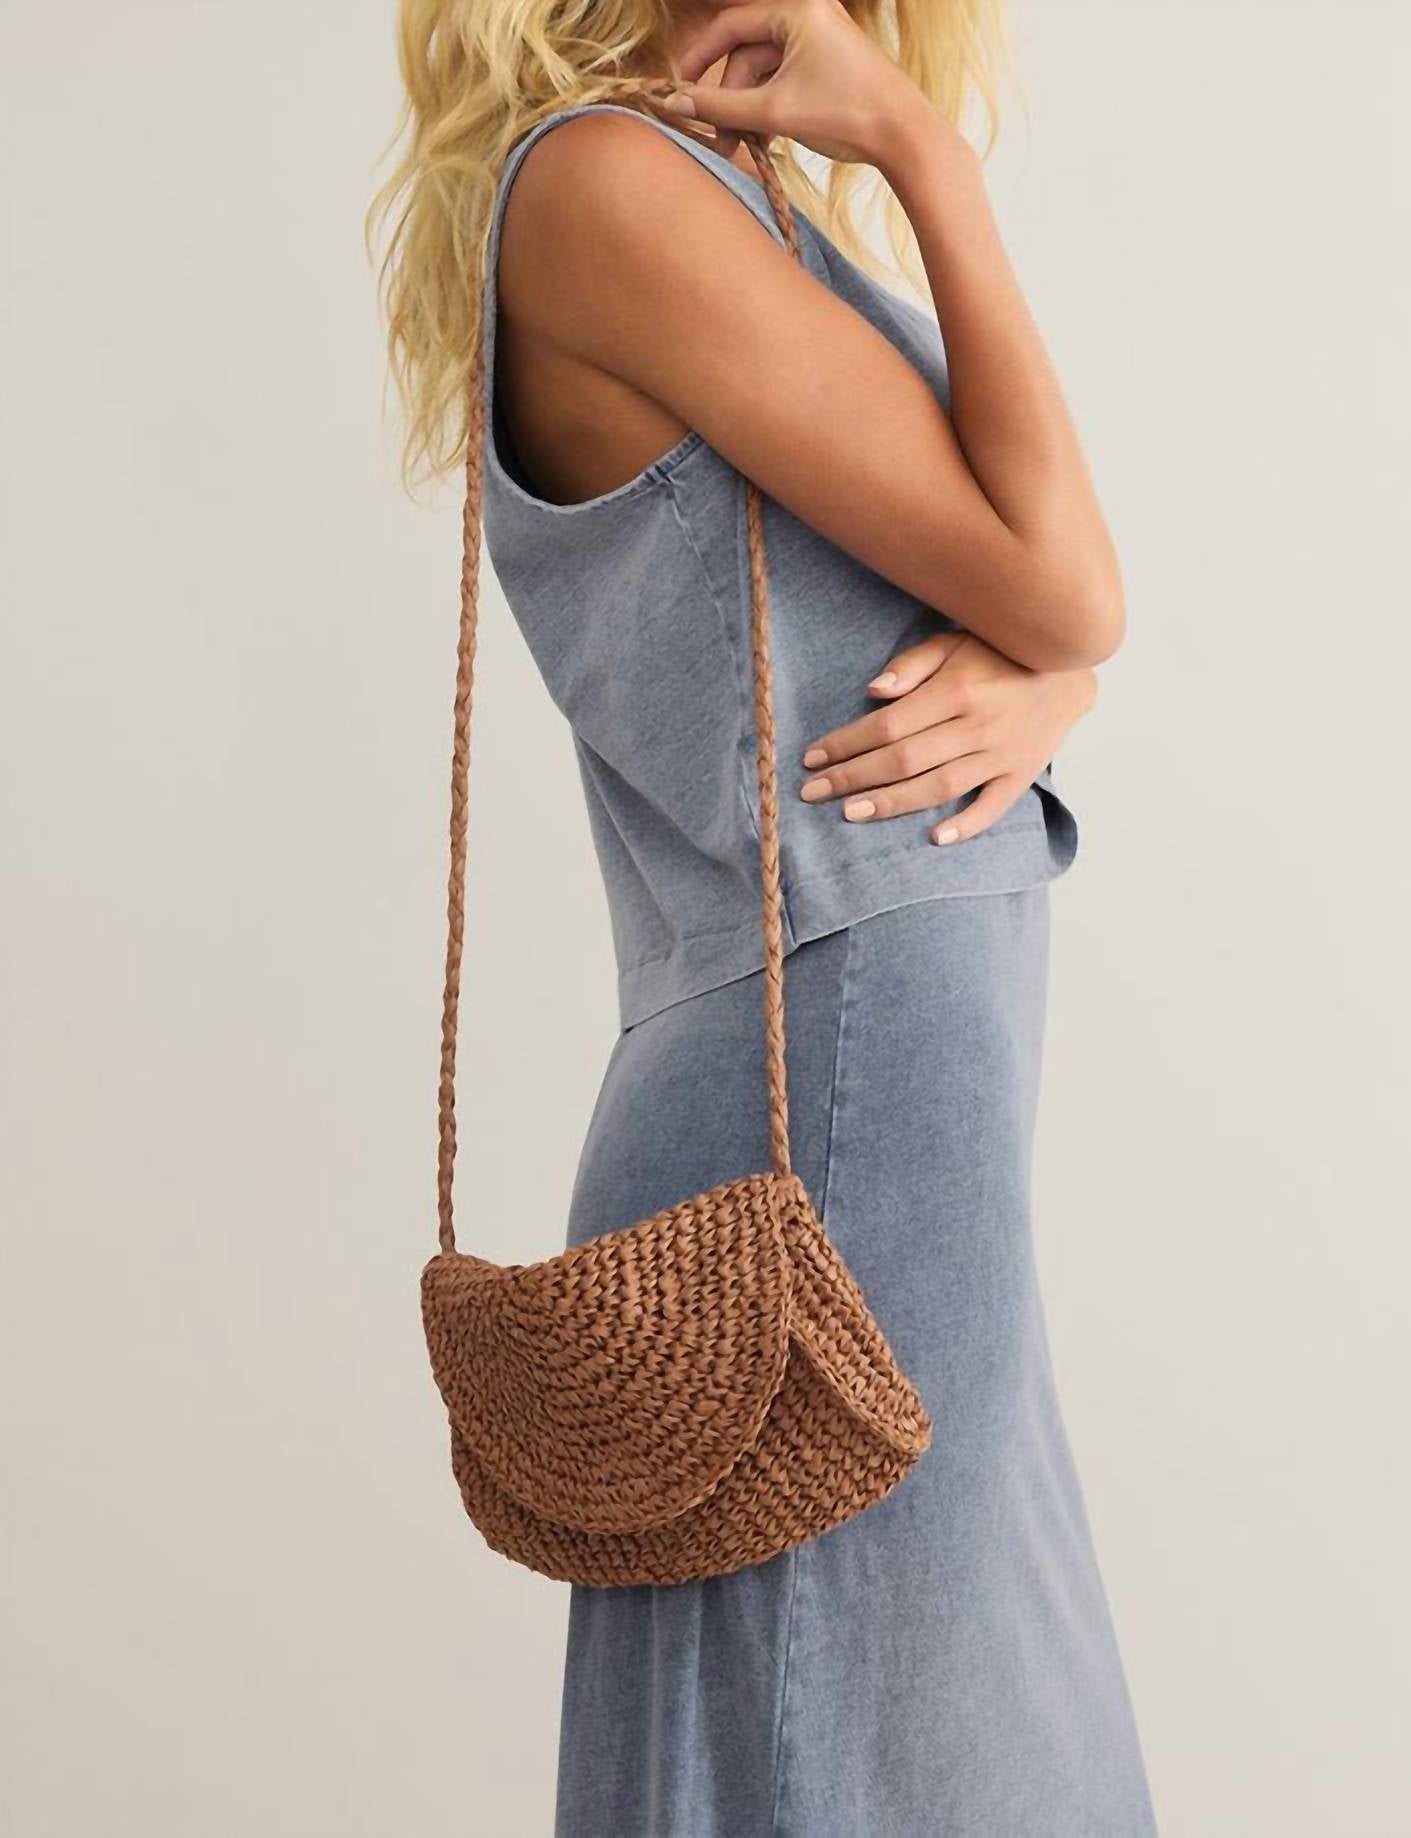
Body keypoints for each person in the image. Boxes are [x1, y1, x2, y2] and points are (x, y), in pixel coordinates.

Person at [371, 1, 1157, 1830]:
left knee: (909, 1741)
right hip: (838, 1086)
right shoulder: (610, 187)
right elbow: (1062, 581)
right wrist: (928, 155)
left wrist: (1057, 673)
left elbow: (1025, 600)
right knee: (890, 1754)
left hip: (869, 1072)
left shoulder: (725, 193)